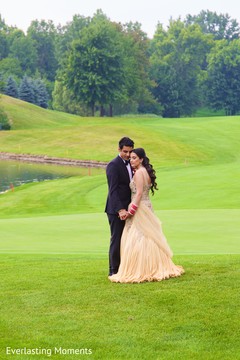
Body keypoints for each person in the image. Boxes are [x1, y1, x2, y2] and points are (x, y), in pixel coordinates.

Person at [109, 148, 184, 283]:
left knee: (139, 237)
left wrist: (131, 210)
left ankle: (142, 268)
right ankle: (154, 265)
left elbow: (137, 195)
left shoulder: (139, 174)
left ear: (141, 159)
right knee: (149, 236)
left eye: (134, 158)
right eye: (130, 158)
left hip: (139, 208)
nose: (131, 160)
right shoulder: (146, 172)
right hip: (147, 206)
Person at [105, 137, 134, 276]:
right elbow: (113, 190)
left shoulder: (131, 163)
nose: (128, 155)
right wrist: (120, 209)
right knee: (116, 239)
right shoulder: (113, 165)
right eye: (125, 151)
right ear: (119, 149)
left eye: (130, 151)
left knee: (127, 239)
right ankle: (113, 270)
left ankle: (125, 267)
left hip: (129, 209)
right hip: (115, 209)